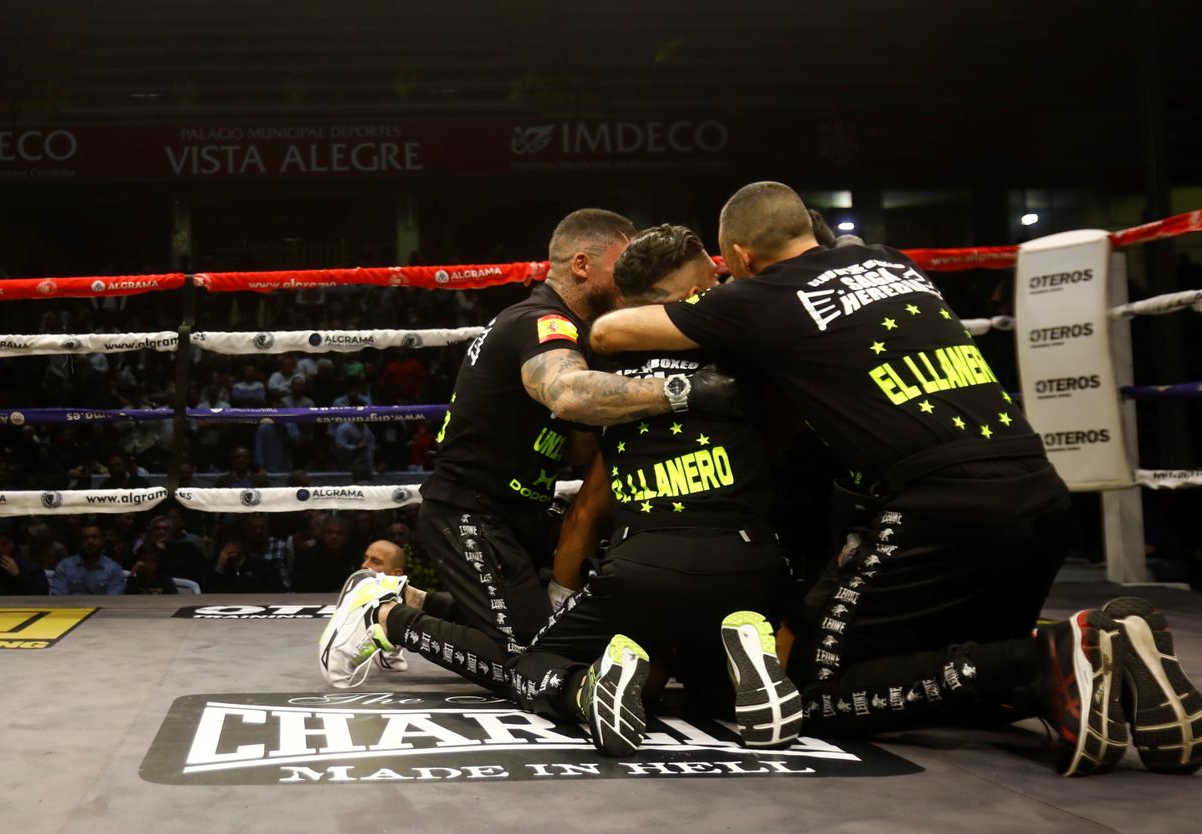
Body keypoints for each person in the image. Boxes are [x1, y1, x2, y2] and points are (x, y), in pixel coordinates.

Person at [588, 181, 1202, 776]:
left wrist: (708, 304)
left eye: (726, 271)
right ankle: (1109, 652)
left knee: (815, 690)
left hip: (940, 504)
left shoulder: (762, 294)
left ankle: (1048, 656)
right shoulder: (890, 261)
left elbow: (610, 332)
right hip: (1038, 490)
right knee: (942, 669)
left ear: (743, 257)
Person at [320, 209, 727, 692]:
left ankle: (405, 597)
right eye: (622, 263)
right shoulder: (541, 322)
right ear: (582, 265)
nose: (630, 276)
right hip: (469, 511)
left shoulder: (577, 332)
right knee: (532, 660)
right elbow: (567, 392)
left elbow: (576, 446)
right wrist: (685, 389)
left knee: (556, 636)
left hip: (518, 512)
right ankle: (384, 618)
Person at [506, 224, 799, 755]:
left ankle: (588, 690)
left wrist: (563, 590)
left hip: (645, 566)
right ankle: (749, 662)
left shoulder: (605, 366)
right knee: (708, 685)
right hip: (750, 560)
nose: (723, 285)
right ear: (689, 294)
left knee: (530, 663)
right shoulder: (747, 347)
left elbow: (583, 465)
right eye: (710, 281)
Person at [49, 523, 126, 595]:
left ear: (102, 541)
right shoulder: (65, 566)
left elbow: (113, 602)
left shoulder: (114, 569)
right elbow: (57, 599)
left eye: (94, 537)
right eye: (85, 538)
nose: (90, 541)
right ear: (79, 541)